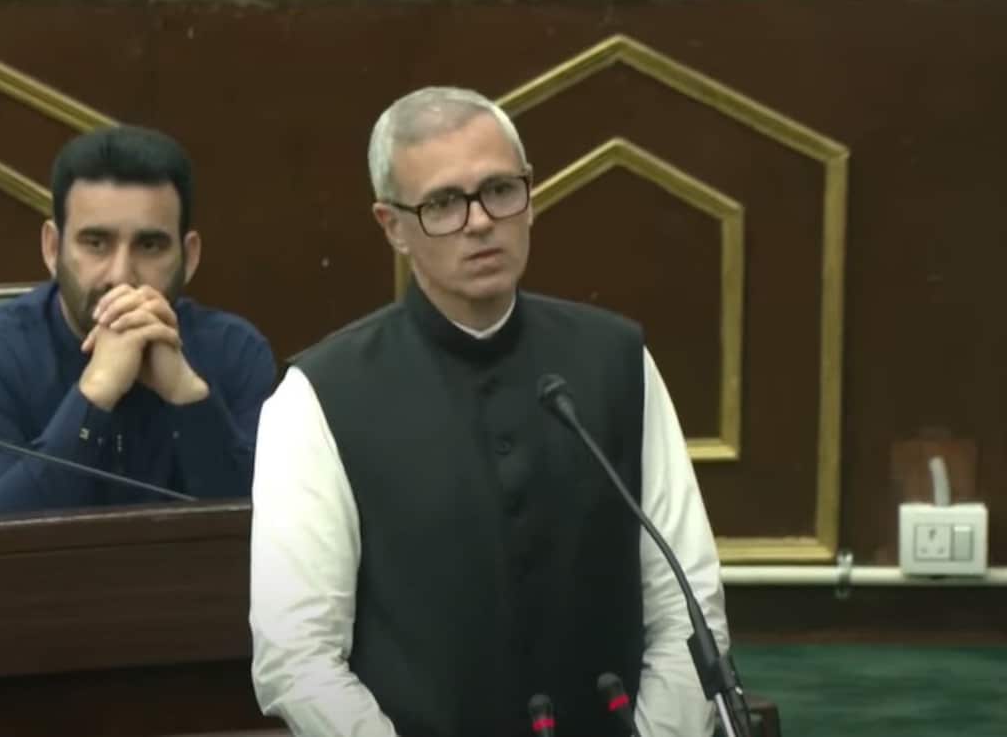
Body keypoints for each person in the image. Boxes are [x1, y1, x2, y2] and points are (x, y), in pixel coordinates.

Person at [248, 87, 730, 737]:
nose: (479, 222)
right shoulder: (317, 397)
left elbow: (687, 602)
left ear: (530, 195)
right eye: (444, 203)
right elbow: (297, 657)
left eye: (500, 190)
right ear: (393, 226)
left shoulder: (616, 359)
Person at [0, 125, 275, 517]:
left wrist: (187, 395)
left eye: (149, 246)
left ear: (190, 257)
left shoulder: (237, 352)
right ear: (52, 249)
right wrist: (96, 391)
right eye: (96, 244)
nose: (121, 275)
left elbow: (272, 528)